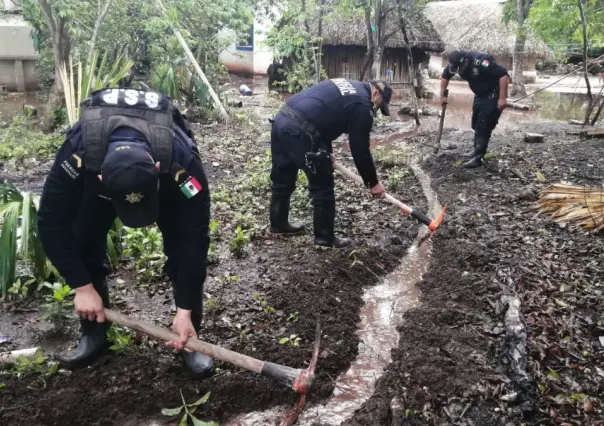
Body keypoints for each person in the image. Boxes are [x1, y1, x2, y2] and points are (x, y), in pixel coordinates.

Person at [37, 88, 213, 377]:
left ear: (156, 169)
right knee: (83, 238)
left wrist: (185, 308)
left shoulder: (180, 162)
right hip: (99, 188)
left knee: (183, 251)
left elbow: (194, 238)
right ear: (102, 179)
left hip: (164, 186)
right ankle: (94, 333)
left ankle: (189, 334)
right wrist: (82, 287)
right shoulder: (78, 155)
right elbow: (51, 221)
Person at [269, 78, 388, 248]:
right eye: (379, 105)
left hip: (282, 120)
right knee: (322, 185)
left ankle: (278, 224)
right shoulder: (363, 105)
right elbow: (360, 149)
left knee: (283, 176)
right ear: (376, 93)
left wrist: (327, 152)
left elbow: (323, 117)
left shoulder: (348, 85)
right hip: (303, 131)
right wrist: (373, 183)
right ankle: (324, 238)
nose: (376, 109)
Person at [440, 50, 510, 168]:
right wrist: (442, 96)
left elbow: (503, 75)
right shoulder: (455, 62)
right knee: (476, 122)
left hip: (493, 93)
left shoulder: (481, 61)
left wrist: (502, 98)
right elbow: (445, 76)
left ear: (466, 61)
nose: (460, 71)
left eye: (461, 68)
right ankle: (475, 150)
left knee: (484, 124)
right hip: (479, 94)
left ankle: (479, 158)